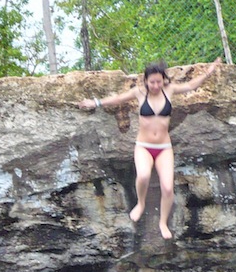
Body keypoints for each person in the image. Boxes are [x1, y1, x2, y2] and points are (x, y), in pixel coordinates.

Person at [79, 58, 221, 240]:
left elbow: (192, 85)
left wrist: (210, 71)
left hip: (164, 147)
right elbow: (117, 99)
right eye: (152, 82)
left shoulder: (170, 90)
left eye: (158, 82)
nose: (155, 85)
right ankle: (141, 203)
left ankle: (163, 222)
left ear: (164, 80)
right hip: (144, 146)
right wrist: (95, 103)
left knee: (168, 188)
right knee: (144, 175)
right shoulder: (139, 93)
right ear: (146, 81)